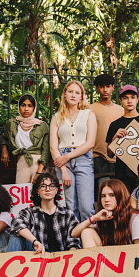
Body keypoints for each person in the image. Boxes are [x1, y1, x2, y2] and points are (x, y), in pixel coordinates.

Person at [67, 179, 139, 277]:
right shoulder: (104, 218)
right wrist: (94, 218)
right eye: (103, 196)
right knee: (87, 231)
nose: (106, 200)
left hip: (131, 268)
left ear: (120, 196)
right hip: (110, 269)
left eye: (112, 195)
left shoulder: (134, 218)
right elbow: (74, 233)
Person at [50, 80, 97, 221]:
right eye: (70, 92)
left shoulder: (88, 114)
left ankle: (90, 240)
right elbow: (53, 146)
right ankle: (74, 241)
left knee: (86, 206)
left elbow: (90, 143)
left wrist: (68, 156)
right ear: (64, 94)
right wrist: (63, 168)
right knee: (70, 205)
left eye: (77, 93)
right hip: (62, 162)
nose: (73, 95)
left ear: (81, 97)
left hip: (83, 159)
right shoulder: (56, 117)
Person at [7, 172, 81, 255]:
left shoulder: (67, 214)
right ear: (37, 191)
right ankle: (11, 267)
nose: (47, 189)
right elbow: (16, 223)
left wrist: (70, 255)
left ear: (56, 190)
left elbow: (74, 241)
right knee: (16, 237)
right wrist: (34, 241)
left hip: (61, 257)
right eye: (43, 186)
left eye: (51, 186)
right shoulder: (30, 212)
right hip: (37, 255)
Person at [106, 84, 139, 193]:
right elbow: (109, 154)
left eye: (132, 97)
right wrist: (115, 138)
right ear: (120, 101)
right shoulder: (115, 125)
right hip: (122, 173)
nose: (129, 101)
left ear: (137, 99)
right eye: (125, 98)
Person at [0, 94, 50, 183]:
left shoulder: (42, 126)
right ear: (19, 107)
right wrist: (4, 150)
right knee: (22, 193)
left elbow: (46, 151)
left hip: (38, 162)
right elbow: (5, 138)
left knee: (39, 193)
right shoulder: (11, 124)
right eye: (23, 105)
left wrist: (39, 172)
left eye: (30, 106)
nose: (26, 109)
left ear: (34, 108)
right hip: (21, 161)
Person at [91, 74, 124, 197]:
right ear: (97, 88)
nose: (105, 90)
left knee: (117, 193)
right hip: (97, 156)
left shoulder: (120, 110)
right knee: (102, 194)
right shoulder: (90, 109)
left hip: (118, 157)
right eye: (101, 87)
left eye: (108, 86)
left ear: (113, 88)